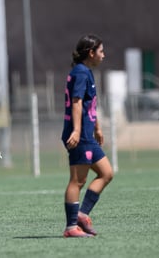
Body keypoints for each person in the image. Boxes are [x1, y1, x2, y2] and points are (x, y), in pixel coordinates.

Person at [61, 34, 114, 238]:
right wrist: (76, 130)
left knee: (106, 173)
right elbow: (76, 102)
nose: (103, 55)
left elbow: (89, 104)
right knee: (77, 181)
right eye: (101, 51)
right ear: (91, 53)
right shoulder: (81, 73)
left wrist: (97, 128)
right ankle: (71, 227)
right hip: (80, 136)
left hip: (88, 135)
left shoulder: (86, 72)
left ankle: (82, 215)